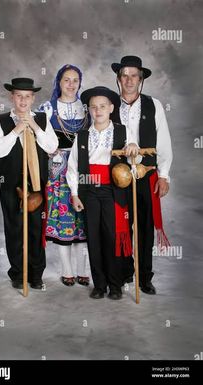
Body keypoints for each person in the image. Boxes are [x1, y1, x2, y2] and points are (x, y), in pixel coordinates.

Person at [111, 55, 173, 294]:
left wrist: (164, 175)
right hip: (118, 175)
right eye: (124, 75)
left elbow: (164, 141)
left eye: (133, 75)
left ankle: (145, 277)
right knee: (122, 226)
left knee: (145, 228)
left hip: (146, 175)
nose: (129, 80)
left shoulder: (153, 105)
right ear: (118, 79)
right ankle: (126, 273)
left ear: (141, 79)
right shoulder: (109, 105)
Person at [0, 77, 58, 290]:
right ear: (12, 97)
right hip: (11, 185)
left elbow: (51, 146)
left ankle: (36, 274)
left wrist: (35, 127)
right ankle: (19, 273)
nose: (23, 100)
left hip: (37, 186)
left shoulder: (43, 119)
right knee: (15, 228)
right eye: (19, 96)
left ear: (33, 98)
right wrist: (17, 130)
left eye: (27, 96)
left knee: (37, 229)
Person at [66, 86, 133, 300]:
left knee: (111, 237)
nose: (98, 110)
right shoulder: (82, 136)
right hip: (89, 191)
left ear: (111, 108)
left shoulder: (123, 132)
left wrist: (133, 148)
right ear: (89, 110)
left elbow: (136, 160)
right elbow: (73, 167)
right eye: (93, 107)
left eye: (103, 106)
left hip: (113, 191)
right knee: (93, 238)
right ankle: (99, 284)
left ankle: (115, 284)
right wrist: (75, 194)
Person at [38, 64, 90, 287]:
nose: (71, 84)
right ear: (59, 82)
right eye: (66, 80)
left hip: (83, 168)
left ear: (80, 83)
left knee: (84, 219)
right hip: (58, 169)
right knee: (63, 218)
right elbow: (39, 140)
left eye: (75, 80)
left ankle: (83, 270)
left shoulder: (88, 106)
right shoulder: (47, 108)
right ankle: (67, 271)